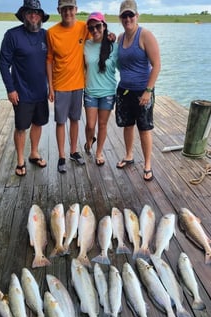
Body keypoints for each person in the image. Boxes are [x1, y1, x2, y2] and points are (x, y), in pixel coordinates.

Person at [0, 0, 49, 176]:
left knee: (38, 123)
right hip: (21, 92)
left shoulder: (46, 35)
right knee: (21, 127)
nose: (34, 16)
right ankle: (20, 160)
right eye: (30, 12)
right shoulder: (12, 35)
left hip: (41, 91)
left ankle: (34, 153)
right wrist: (10, 89)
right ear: (24, 15)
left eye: (37, 13)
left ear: (41, 16)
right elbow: (3, 63)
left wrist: (107, 37)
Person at [116, 0, 161, 181]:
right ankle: (129, 155)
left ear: (137, 16)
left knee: (144, 128)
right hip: (124, 90)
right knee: (127, 125)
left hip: (143, 91)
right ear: (120, 18)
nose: (128, 19)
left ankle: (147, 164)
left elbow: (157, 65)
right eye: (124, 16)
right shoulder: (120, 38)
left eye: (131, 15)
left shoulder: (145, 36)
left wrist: (148, 91)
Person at [46, 0, 89, 173]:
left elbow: (99, 36)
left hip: (78, 84)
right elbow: (48, 60)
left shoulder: (84, 27)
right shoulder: (51, 32)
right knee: (60, 121)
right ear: (59, 10)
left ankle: (73, 152)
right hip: (60, 85)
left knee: (75, 119)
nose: (68, 12)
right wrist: (50, 86)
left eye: (71, 9)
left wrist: (110, 36)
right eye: (64, 9)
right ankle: (61, 156)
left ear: (76, 10)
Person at [83, 12, 118, 166]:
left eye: (98, 26)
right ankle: (89, 141)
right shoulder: (85, 45)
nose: (95, 30)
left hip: (108, 92)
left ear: (104, 26)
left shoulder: (114, 46)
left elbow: (127, 62)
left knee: (102, 125)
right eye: (91, 28)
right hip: (90, 91)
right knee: (90, 125)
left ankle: (99, 152)